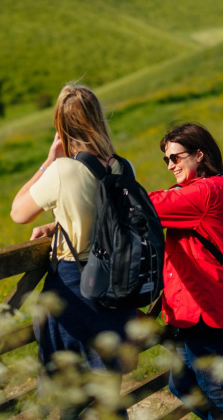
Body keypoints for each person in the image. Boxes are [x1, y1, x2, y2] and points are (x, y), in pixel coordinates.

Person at [10, 84, 134, 418]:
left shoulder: (62, 171)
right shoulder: (123, 167)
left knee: (67, 401)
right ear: (98, 119)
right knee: (107, 397)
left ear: (61, 127)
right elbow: (108, 220)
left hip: (74, 288)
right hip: (116, 290)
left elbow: (18, 212)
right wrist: (58, 224)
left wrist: (48, 161)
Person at [147, 123, 223, 420]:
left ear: (199, 155)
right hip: (201, 306)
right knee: (183, 384)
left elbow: (149, 207)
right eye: (166, 159)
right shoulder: (211, 186)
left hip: (206, 310)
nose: (170, 165)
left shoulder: (204, 192)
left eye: (176, 157)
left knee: (216, 395)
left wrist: (112, 185)